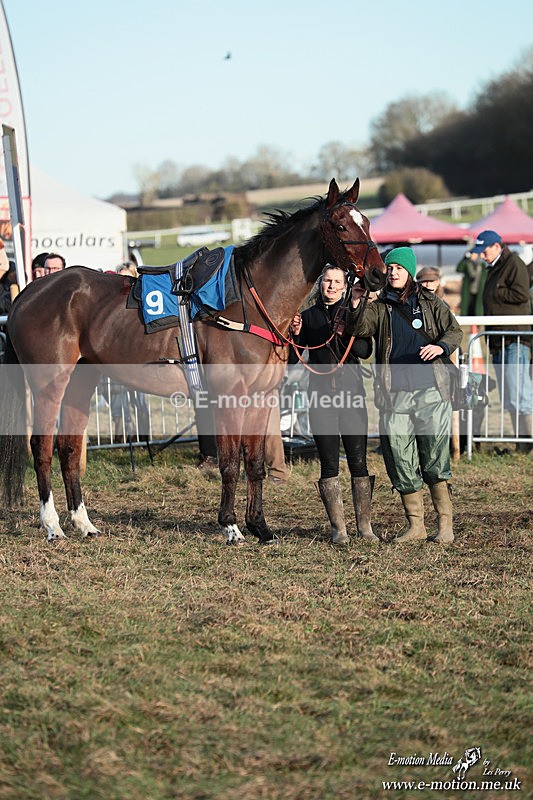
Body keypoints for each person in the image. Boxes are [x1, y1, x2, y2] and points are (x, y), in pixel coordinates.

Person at [347, 247, 463, 544]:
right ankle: (416, 526)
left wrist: (441, 348)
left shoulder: (430, 301)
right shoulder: (380, 304)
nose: (394, 272)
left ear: (409, 271)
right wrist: (357, 300)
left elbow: (454, 331)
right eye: (390, 268)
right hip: (394, 394)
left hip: (430, 392)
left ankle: (445, 526)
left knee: (435, 459)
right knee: (399, 458)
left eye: (399, 267)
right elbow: (359, 328)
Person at [289, 263, 377, 544]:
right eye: (327, 281)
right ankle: (339, 528)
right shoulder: (307, 316)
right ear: (321, 283)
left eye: (336, 282)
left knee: (358, 462)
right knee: (328, 465)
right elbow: (294, 359)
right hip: (321, 396)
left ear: (344, 286)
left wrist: (347, 328)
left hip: (351, 395)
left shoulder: (353, 313)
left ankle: (365, 527)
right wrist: (294, 334)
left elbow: (364, 351)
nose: (331, 286)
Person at [472, 229, 532, 453]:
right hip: (499, 339)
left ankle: (527, 444)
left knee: (519, 393)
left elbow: (521, 295)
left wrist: (496, 294)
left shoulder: (513, 263)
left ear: (497, 246)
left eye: (484, 250)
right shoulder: (495, 267)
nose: (482, 255)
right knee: (509, 395)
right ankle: (522, 443)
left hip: (514, 337)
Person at [456, 250, 487, 316]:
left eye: (474, 254)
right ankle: (469, 323)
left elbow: (488, 274)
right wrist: (465, 258)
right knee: (468, 308)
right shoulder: (467, 264)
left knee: (478, 309)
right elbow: (458, 269)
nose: (472, 256)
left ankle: (477, 324)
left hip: (479, 291)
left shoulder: (482, 265)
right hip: (468, 291)